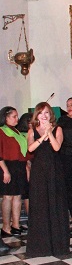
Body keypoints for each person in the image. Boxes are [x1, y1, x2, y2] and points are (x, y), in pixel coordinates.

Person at [26, 102, 70, 257]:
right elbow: (30, 149)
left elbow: (57, 147)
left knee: (55, 203)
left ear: (50, 114)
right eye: (40, 113)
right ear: (36, 115)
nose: (43, 116)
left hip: (54, 170)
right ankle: (40, 245)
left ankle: (58, 245)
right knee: (40, 205)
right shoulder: (31, 130)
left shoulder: (58, 129)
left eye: (46, 113)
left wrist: (49, 133)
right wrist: (42, 135)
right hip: (39, 171)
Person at [0, 106, 28, 254]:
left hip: (19, 166)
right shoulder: (2, 131)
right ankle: (6, 226)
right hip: (7, 166)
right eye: (14, 116)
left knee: (17, 196)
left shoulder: (17, 132)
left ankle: (16, 225)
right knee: (8, 196)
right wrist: (5, 171)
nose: (17, 119)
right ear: (5, 118)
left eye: (17, 116)